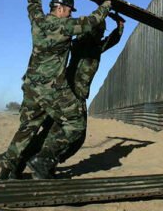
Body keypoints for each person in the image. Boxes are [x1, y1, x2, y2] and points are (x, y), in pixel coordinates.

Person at [0, 0, 112, 180]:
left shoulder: (38, 20)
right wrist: (106, 4)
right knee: (76, 124)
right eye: (69, 10)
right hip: (51, 89)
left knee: (27, 128)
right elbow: (91, 21)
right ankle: (43, 160)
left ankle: (7, 171)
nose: (69, 13)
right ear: (60, 8)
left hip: (30, 87)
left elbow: (32, 4)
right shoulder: (65, 27)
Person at [12, 12, 125, 176]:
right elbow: (87, 29)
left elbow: (112, 40)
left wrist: (120, 26)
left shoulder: (96, 47)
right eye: (99, 31)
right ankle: (40, 161)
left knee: (57, 133)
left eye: (102, 32)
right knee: (70, 134)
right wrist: (100, 17)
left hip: (77, 96)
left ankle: (35, 163)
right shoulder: (80, 44)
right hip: (69, 95)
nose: (101, 34)